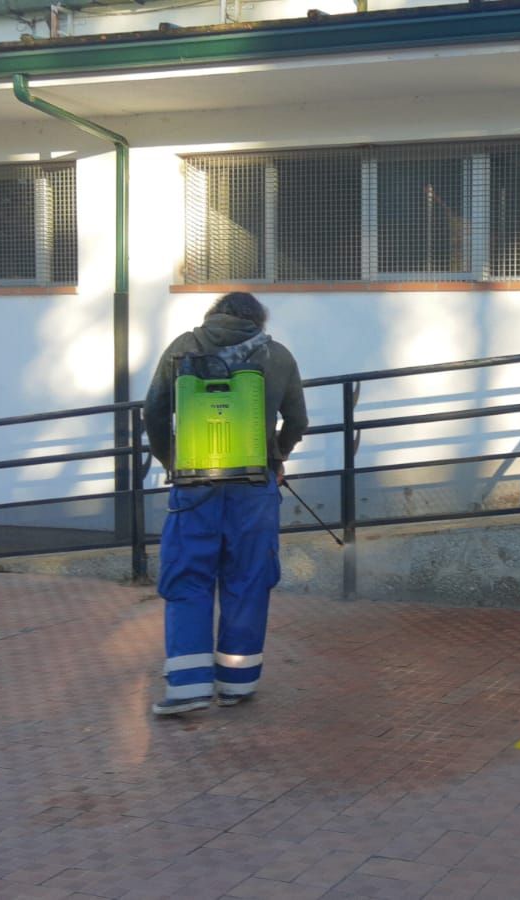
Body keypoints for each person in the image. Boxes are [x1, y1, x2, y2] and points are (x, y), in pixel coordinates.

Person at [143, 292, 308, 715]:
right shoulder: (278, 355)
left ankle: (187, 688)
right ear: (258, 319)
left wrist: (172, 460)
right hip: (254, 485)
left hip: (195, 483)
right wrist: (277, 457)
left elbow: (154, 411)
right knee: (249, 577)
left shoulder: (184, 346)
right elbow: (298, 420)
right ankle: (237, 683)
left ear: (213, 315)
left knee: (187, 576)